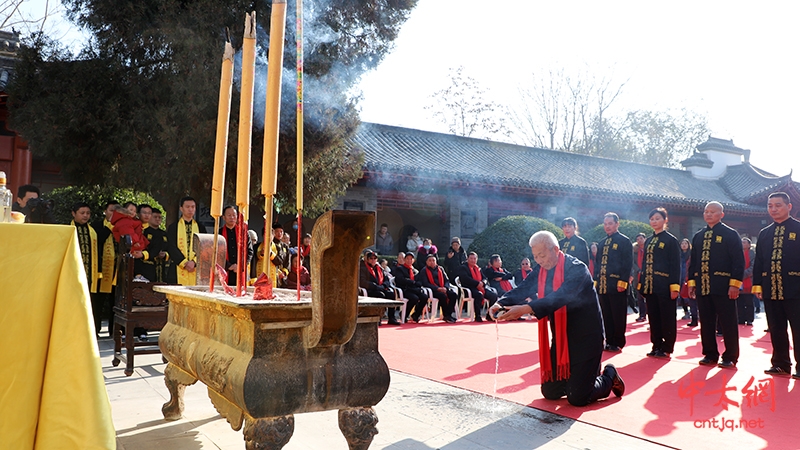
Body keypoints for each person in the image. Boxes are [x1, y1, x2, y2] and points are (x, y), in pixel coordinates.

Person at [490, 231, 624, 407]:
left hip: (587, 338)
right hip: (562, 339)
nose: (538, 260)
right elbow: (524, 288)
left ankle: (608, 375)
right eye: (535, 256)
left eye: (542, 255)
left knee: (578, 397)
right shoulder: (541, 269)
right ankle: (578, 380)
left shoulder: (577, 269)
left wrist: (527, 308)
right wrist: (500, 303)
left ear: (555, 249)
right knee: (550, 392)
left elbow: (561, 297)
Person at [688, 201, 744, 369]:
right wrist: (692, 283)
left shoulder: (730, 234)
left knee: (728, 322)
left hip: (724, 287)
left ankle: (730, 356)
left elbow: (738, 262)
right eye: (706, 211)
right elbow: (694, 262)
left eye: (713, 212)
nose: (709, 214)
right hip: (703, 286)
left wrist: (734, 285)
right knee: (706, 322)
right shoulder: (698, 236)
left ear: (722, 214)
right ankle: (710, 354)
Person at [752, 192, 800, 378]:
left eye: (778, 205)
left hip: (796, 288)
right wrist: (758, 285)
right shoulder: (764, 233)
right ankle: (780, 364)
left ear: (789, 207)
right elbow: (760, 262)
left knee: (798, 328)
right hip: (771, 288)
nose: (773, 209)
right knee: (776, 328)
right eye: (770, 205)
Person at [639, 208, 680, 359]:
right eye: (652, 219)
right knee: (653, 317)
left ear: (665, 220)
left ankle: (667, 346)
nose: (654, 221)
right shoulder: (648, 240)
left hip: (665, 285)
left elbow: (675, 265)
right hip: (650, 285)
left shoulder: (671, 240)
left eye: (657, 218)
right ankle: (656, 344)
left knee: (667, 317)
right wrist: (642, 284)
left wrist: (674, 287)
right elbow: (644, 264)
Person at [594, 212, 632, 352]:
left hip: (617, 285)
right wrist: (596, 282)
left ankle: (618, 342)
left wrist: (623, 282)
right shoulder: (602, 243)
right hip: (603, 284)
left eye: (610, 223)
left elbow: (627, 263)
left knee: (618, 314)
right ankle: (609, 340)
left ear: (617, 224)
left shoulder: (624, 241)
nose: (607, 226)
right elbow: (597, 264)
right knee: (606, 314)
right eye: (605, 224)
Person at [71, 202, 103, 335]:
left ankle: (91, 332)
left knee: (91, 304)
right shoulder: (68, 229)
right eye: (82, 213)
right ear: (74, 214)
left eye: (88, 213)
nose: (85, 216)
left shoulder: (93, 231)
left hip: (90, 275)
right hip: (73, 273)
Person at [166, 196, 208, 286]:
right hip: (178, 266)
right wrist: (184, 262)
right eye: (187, 207)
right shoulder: (174, 227)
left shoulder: (201, 227)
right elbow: (171, 246)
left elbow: (204, 247)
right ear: (181, 208)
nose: (190, 209)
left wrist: (194, 262)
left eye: (193, 207)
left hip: (196, 267)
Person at [92, 200, 119, 335]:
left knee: (116, 303)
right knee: (98, 303)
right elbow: (98, 240)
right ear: (105, 211)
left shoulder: (121, 226)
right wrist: (108, 227)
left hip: (117, 270)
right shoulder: (97, 226)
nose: (113, 213)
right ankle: (95, 329)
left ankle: (114, 331)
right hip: (101, 270)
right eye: (111, 210)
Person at [457, 251, 499, 322]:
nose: (473, 260)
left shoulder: (478, 268)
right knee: (479, 295)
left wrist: (482, 283)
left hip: (481, 287)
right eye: (471, 258)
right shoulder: (463, 267)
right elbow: (465, 279)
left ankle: (489, 315)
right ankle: (478, 316)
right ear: (467, 259)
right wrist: (477, 283)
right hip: (469, 288)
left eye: (474, 259)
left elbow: (485, 278)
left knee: (494, 295)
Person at [360, 251, 399, 325]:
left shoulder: (379, 268)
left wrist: (384, 285)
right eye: (371, 258)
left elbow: (387, 279)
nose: (373, 260)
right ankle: (378, 318)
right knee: (380, 295)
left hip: (381, 287)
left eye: (375, 258)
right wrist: (375, 286)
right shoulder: (363, 268)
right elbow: (363, 282)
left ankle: (391, 317)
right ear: (367, 259)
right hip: (370, 290)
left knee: (391, 294)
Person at [220, 206, 253, 287]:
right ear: (223, 217)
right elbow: (217, 252)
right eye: (229, 215)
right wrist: (229, 266)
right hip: (225, 270)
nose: (232, 217)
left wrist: (240, 265)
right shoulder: (219, 232)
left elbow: (250, 251)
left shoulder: (244, 232)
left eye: (234, 215)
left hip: (240, 271)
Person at [420, 254, 458, 323]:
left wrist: (445, 288)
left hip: (443, 288)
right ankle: (446, 315)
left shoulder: (440, 269)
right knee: (442, 296)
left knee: (453, 295)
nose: (432, 262)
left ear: (436, 261)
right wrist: (438, 288)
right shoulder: (424, 270)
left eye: (433, 260)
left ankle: (448, 314)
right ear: (426, 262)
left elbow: (447, 280)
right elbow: (425, 283)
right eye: (430, 261)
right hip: (432, 290)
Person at [392, 253, 427, 323]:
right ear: (404, 260)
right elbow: (400, 279)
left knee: (424, 297)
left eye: (411, 259)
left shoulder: (415, 271)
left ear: (413, 260)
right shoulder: (400, 269)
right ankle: (404, 314)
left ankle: (416, 315)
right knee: (414, 298)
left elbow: (420, 281)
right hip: (405, 289)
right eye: (407, 259)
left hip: (414, 289)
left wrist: (417, 283)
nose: (409, 260)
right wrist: (412, 282)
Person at [141, 207, 169, 283]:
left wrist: (165, 255)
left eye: (159, 217)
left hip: (163, 268)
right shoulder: (144, 232)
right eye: (155, 217)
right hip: (148, 266)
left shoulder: (164, 234)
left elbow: (170, 249)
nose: (157, 219)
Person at [679, 238, 698, 327]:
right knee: (682, 297)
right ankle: (686, 312)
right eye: (682, 243)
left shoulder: (691, 255)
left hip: (689, 278)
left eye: (685, 243)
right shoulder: (678, 255)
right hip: (680, 278)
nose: (683, 245)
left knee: (692, 298)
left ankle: (695, 316)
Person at [738, 237, 756, 326]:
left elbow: (753, 267)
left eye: (744, 242)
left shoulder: (752, 254)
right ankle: (741, 318)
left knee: (749, 301)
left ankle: (749, 319)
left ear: (749, 245)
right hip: (738, 281)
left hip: (748, 280)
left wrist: (743, 274)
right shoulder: (737, 253)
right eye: (741, 242)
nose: (742, 244)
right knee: (739, 301)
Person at [632, 233, 647, 322]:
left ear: (645, 239)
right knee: (640, 296)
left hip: (648, 275)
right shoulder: (635, 251)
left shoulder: (648, 249)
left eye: (641, 238)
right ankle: (642, 315)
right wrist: (638, 270)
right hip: (638, 276)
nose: (639, 240)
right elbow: (632, 263)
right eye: (637, 239)